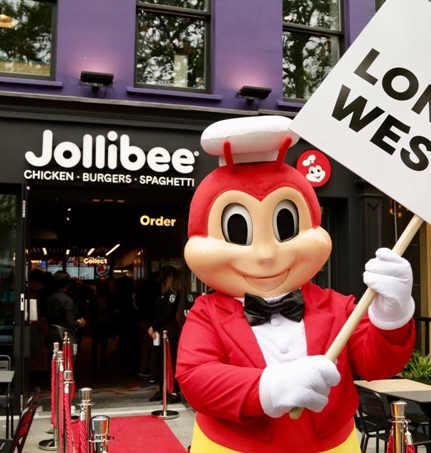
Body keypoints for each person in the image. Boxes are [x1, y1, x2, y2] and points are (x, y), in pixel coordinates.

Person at [177, 116, 416, 452]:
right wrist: (268, 387)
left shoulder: (338, 306)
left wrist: (393, 314)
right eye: (238, 232)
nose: (265, 255)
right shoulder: (207, 312)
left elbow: (377, 364)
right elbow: (195, 377)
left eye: (286, 225)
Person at [148, 265, 183, 400]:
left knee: (169, 360)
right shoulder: (163, 293)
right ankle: (163, 388)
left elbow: (167, 314)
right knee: (161, 361)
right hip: (161, 330)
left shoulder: (172, 294)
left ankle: (173, 390)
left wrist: (154, 326)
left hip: (169, 330)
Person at [45, 271, 85, 366]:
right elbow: (71, 324)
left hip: (51, 333)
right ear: (68, 283)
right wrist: (80, 322)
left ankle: (55, 381)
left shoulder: (50, 298)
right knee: (67, 365)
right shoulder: (67, 300)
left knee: (55, 365)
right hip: (63, 336)